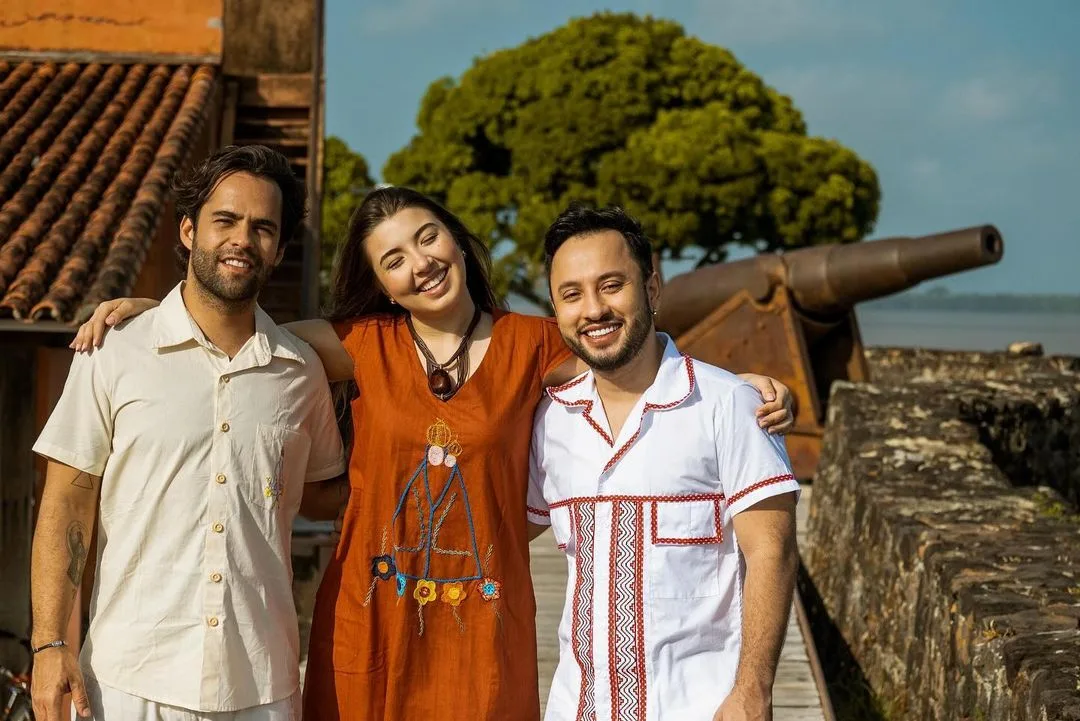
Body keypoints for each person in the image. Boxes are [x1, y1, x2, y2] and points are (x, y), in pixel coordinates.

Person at [71, 186, 794, 721]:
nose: (419, 263)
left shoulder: (535, 345)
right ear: (379, 282)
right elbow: (243, 337)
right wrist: (152, 312)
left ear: (455, 236)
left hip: (485, 633)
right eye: (393, 259)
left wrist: (738, 385)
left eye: (427, 237)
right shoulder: (356, 345)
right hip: (366, 625)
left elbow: (627, 351)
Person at [31, 146, 347, 721]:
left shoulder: (302, 373)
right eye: (225, 220)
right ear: (188, 228)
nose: (242, 240)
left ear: (278, 248)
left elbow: (330, 493)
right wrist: (50, 642)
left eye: (262, 228)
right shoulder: (115, 350)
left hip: (264, 685)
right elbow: (68, 499)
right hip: (128, 682)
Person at [527, 204, 801, 721]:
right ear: (555, 308)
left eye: (612, 285)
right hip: (576, 709)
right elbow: (499, 536)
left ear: (651, 289)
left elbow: (774, 550)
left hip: (701, 708)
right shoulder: (549, 420)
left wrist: (752, 692)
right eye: (572, 294)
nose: (593, 309)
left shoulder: (729, 403)